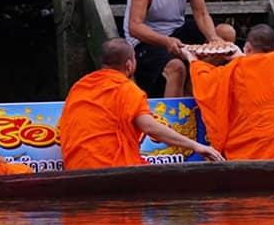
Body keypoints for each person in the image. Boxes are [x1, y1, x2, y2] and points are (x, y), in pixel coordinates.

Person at [59, 38, 225, 170]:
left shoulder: (79, 87)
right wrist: (197, 146)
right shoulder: (126, 90)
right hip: (111, 171)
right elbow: (150, 127)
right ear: (129, 65)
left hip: (76, 169)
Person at [184, 24, 274, 161]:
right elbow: (261, 69)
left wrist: (192, 60)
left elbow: (207, 82)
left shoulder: (237, 70)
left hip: (251, 155)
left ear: (247, 47)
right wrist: (240, 57)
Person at [122, 0, 224, 97]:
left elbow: (201, 13)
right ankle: (175, 119)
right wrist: (165, 41)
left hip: (176, 30)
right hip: (147, 39)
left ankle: (192, 84)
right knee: (177, 68)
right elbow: (134, 27)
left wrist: (214, 38)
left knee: (225, 34)